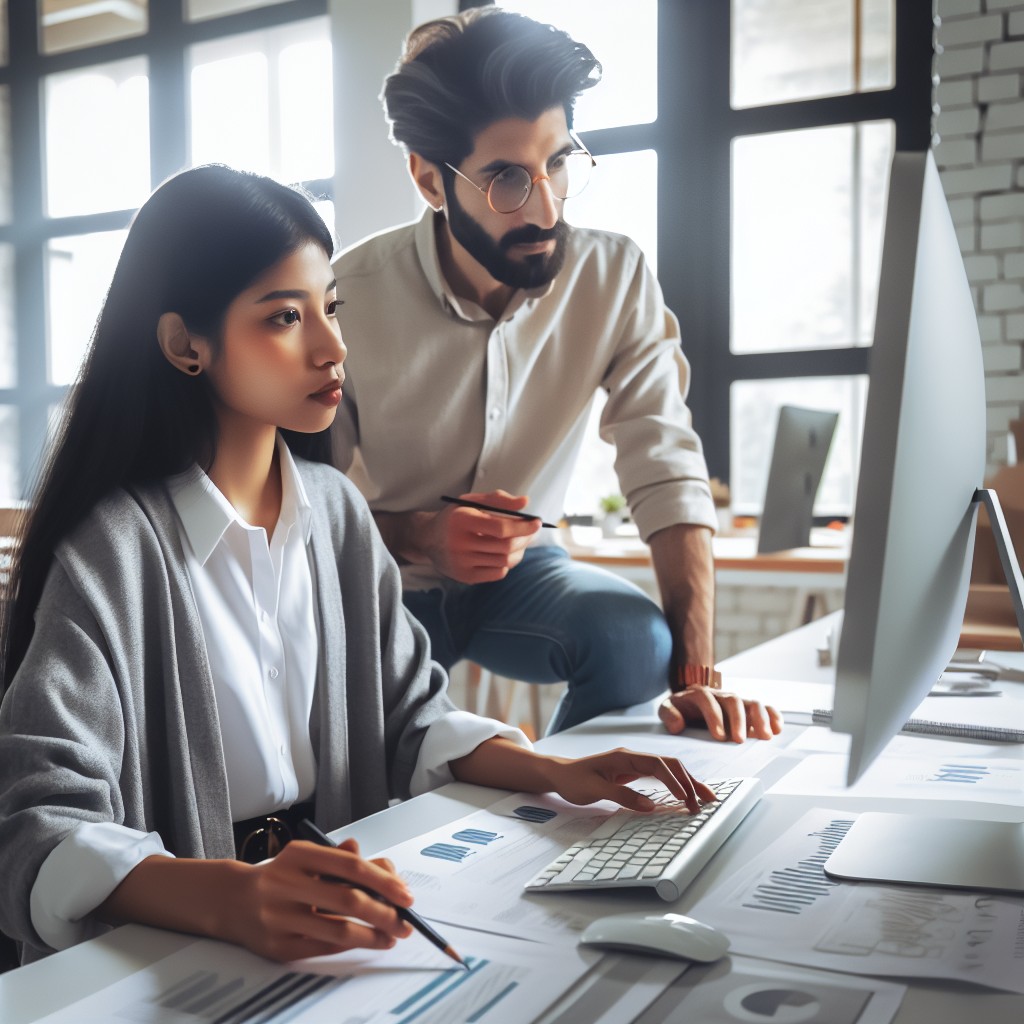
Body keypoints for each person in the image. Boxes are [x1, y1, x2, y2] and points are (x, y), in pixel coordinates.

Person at [0, 164, 715, 967]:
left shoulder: (335, 512)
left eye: (330, 308)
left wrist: (555, 769)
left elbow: (409, 719)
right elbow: (39, 824)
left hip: (326, 929)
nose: (333, 346)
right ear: (185, 346)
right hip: (174, 951)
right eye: (283, 318)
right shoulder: (116, 548)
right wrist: (232, 894)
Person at [331, 8, 782, 739]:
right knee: (372, 744)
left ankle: (567, 819)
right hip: (388, 580)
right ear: (429, 180)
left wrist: (696, 680)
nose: (545, 206)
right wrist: (421, 535)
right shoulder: (346, 294)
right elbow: (295, 507)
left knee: (637, 639)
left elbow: (664, 464)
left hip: (529, 575)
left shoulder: (615, 273)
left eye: (558, 164)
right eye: (507, 178)